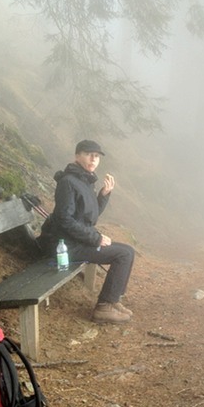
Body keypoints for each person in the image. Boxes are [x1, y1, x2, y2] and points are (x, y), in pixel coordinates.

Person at [37, 139, 135, 324]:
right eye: (89, 154)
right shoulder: (68, 182)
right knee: (122, 254)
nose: (93, 159)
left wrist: (103, 195)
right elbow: (65, 220)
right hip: (65, 247)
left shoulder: (84, 181)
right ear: (77, 155)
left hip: (76, 242)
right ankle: (104, 308)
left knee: (128, 251)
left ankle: (113, 300)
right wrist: (95, 238)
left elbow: (90, 217)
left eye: (97, 156)